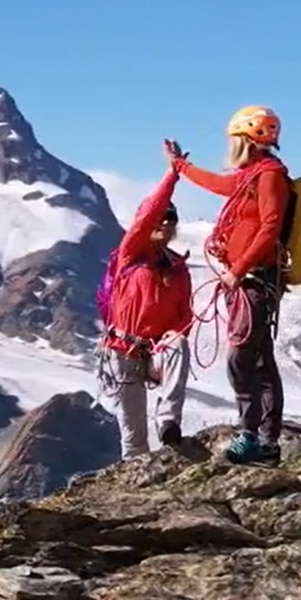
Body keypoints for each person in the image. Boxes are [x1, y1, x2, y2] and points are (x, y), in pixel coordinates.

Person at [169, 105, 289, 465]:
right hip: (248, 278)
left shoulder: (268, 175)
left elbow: (269, 228)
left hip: (255, 279)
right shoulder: (252, 174)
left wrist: (238, 269)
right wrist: (180, 166)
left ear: (244, 139)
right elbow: (219, 185)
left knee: (242, 355)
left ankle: (252, 434)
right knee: (259, 358)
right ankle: (265, 441)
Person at [99, 164, 195, 458]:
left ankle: (168, 422)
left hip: (155, 351)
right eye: (161, 217)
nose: (166, 223)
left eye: (171, 219)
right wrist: (172, 176)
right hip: (121, 352)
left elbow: (184, 317)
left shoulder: (178, 268)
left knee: (178, 343)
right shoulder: (129, 254)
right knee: (134, 438)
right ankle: (135, 490)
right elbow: (145, 216)